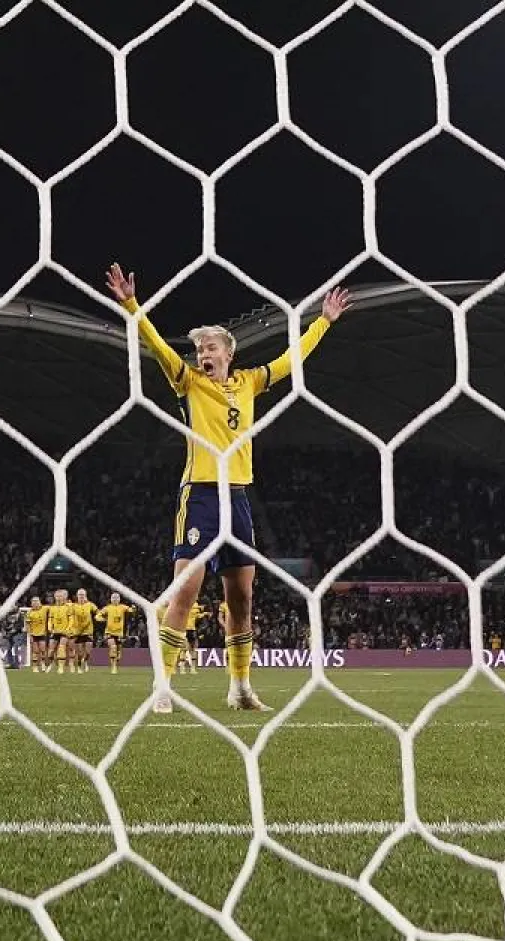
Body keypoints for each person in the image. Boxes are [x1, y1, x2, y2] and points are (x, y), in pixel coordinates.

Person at [106, 262, 351, 713]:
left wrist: (323, 322)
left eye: (210, 345)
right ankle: (163, 685)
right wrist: (130, 304)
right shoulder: (188, 382)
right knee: (185, 592)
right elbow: (156, 345)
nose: (202, 352)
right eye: (199, 347)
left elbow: (291, 360)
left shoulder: (250, 382)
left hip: (237, 498)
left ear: (229, 352)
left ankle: (240, 687)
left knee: (242, 598)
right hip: (200, 494)